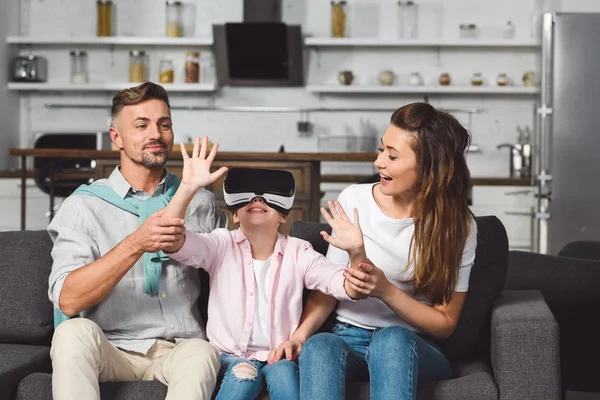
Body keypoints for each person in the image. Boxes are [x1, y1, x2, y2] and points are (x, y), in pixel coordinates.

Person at [47, 82, 227, 400]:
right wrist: (136, 243)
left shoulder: (200, 202)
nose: (155, 134)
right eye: (141, 125)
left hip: (180, 350)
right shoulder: (84, 206)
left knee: (202, 353)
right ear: (116, 137)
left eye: (164, 124)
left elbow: (231, 276)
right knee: (72, 333)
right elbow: (68, 300)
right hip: (110, 349)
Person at [288, 102, 478, 400]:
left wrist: (386, 291)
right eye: (381, 150)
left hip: (414, 345)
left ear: (429, 166)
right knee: (320, 346)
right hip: (347, 337)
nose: (379, 162)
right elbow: (328, 290)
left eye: (392, 156)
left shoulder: (458, 225)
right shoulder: (353, 199)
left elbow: (444, 325)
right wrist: (299, 337)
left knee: (392, 340)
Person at [159, 137, 363, 400]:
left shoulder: (299, 252)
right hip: (228, 357)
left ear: (284, 215)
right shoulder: (220, 244)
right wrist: (187, 187)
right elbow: (170, 241)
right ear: (234, 214)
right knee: (243, 378)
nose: (257, 198)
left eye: (269, 196)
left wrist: (356, 252)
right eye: (247, 197)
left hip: (280, 356)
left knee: (287, 382)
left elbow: (345, 285)